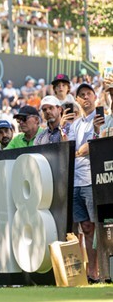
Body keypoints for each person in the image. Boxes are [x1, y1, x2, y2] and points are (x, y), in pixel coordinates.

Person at [61, 83, 102, 282]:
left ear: (95, 96)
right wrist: (62, 126)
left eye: (89, 94)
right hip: (76, 181)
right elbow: (69, 148)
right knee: (85, 227)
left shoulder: (103, 118)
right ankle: (91, 272)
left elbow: (95, 145)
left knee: (100, 227)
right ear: (76, 100)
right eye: (81, 95)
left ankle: (102, 269)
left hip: (94, 179)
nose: (86, 97)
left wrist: (81, 150)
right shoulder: (75, 124)